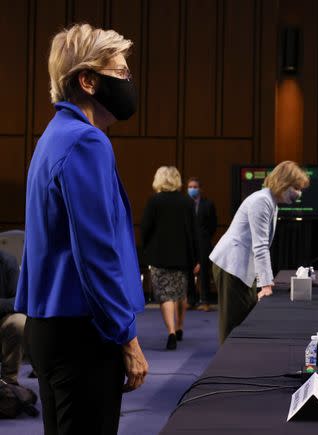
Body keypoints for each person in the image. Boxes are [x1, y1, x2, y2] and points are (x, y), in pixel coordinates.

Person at [15, 23, 148, 434]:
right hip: (83, 333)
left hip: (52, 327)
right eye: (122, 72)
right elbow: (96, 254)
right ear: (88, 80)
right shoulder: (84, 142)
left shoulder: (55, 136)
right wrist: (127, 338)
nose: (129, 82)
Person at [210, 161, 309, 343]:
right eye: (296, 187)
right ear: (283, 182)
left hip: (241, 268)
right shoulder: (262, 201)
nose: (298, 193)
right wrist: (266, 285)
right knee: (232, 324)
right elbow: (260, 246)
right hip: (231, 266)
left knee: (246, 317)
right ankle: (227, 367)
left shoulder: (271, 202)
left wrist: (263, 280)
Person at [141, 167, 199, 350]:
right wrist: (196, 258)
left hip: (159, 256)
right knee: (180, 293)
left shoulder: (154, 202)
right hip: (182, 256)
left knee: (165, 295)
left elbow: (145, 229)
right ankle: (180, 326)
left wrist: (146, 249)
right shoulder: (187, 202)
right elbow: (194, 232)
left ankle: (171, 332)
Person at [186, 177, 218, 311]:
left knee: (204, 272)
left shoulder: (208, 204)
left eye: (195, 187)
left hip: (204, 243)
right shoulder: (185, 204)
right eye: (190, 187)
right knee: (188, 271)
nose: (192, 189)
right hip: (188, 242)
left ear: (200, 189)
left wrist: (204, 236)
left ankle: (205, 301)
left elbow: (213, 225)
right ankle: (191, 300)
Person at [0, 250, 26, 385]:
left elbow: (18, 301)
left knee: (19, 322)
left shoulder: (7, 261)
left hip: (1, 318)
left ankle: (9, 382)